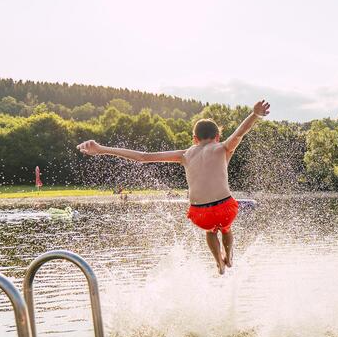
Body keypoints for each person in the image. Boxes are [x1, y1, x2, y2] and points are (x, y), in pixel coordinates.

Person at [77, 100, 271, 274]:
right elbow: (240, 133)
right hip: (225, 208)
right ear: (218, 136)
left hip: (199, 214)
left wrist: (102, 149)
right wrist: (254, 114)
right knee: (226, 228)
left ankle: (217, 262)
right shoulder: (222, 148)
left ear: (194, 138)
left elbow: (143, 157)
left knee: (210, 230)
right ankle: (228, 256)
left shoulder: (185, 154)